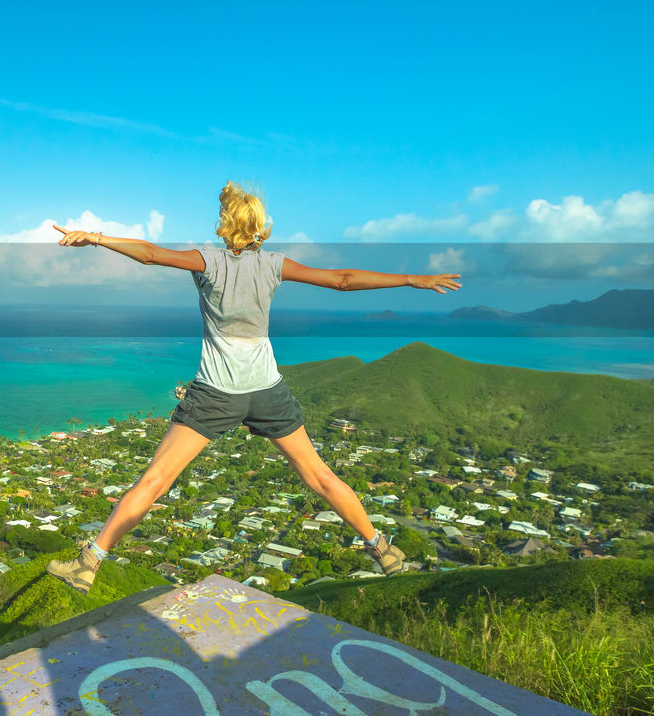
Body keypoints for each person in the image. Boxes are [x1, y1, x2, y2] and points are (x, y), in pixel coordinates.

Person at [46, 181, 461, 593]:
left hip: (215, 393)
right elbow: (344, 280)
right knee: (319, 476)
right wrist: (412, 280)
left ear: (224, 223)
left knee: (155, 481)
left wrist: (96, 238)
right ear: (260, 225)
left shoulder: (206, 260)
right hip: (267, 390)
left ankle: (88, 564)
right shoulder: (274, 264)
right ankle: (382, 549)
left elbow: (151, 255)